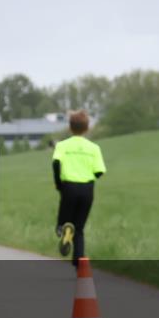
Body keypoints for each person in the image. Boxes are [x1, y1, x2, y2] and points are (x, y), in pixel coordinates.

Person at [52, 110, 107, 265]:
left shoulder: (62, 146)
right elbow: (99, 171)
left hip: (68, 187)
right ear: (87, 128)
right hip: (87, 189)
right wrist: (87, 176)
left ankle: (62, 229)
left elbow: (56, 163)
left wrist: (58, 183)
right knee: (80, 228)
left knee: (65, 220)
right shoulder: (94, 148)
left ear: (70, 127)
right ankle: (79, 262)